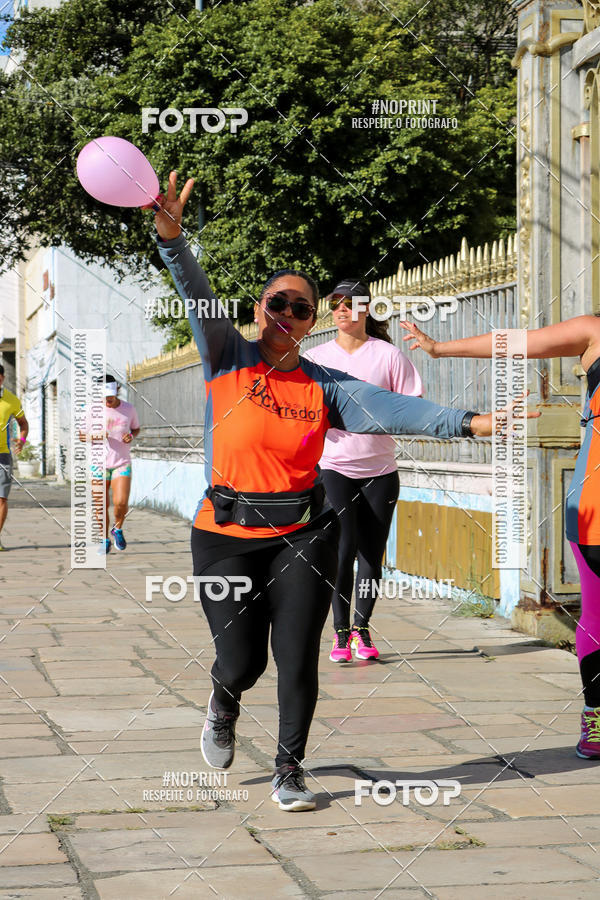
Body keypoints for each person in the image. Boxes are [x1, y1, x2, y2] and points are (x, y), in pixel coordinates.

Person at [153, 171, 534, 812]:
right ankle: (224, 702)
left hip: (301, 534)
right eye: (279, 303)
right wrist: (171, 238)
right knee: (242, 663)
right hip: (224, 537)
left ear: (309, 324)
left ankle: (289, 770)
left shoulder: (325, 385)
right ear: (259, 310)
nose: (289, 315)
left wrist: (476, 423)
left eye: (301, 309)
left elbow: (394, 410)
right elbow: (195, 293)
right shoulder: (226, 356)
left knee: (297, 655)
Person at [400, 314, 600, 759]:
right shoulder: (594, 330)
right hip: (596, 502)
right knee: (599, 613)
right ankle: (597, 717)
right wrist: (438, 349)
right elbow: (513, 343)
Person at [304, 281, 422, 662]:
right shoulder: (315, 357)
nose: (342, 310)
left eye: (350, 304)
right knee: (342, 549)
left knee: (372, 555)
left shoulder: (387, 356)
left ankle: (362, 629)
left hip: (381, 470)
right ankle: (339, 634)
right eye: (335, 304)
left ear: (366, 309)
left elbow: (411, 406)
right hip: (334, 466)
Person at [80, 375, 140, 554]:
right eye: (105, 396)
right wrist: (96, 436)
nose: (108, 399)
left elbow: (135, 428)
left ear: (117, 391)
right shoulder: (91, 409)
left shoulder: (128, 409)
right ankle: (104, 539)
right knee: (100, 505)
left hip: (121, 462)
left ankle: (118, 528)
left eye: (111, 395)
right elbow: (82, 435)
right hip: (98, 463)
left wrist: (131, 436)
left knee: (121, 502)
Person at [0, 365, 29, 550]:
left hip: (2, 455)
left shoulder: (11, 400)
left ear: (2, 378)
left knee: (1, 498)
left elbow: (23, 423)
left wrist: (22, 439)